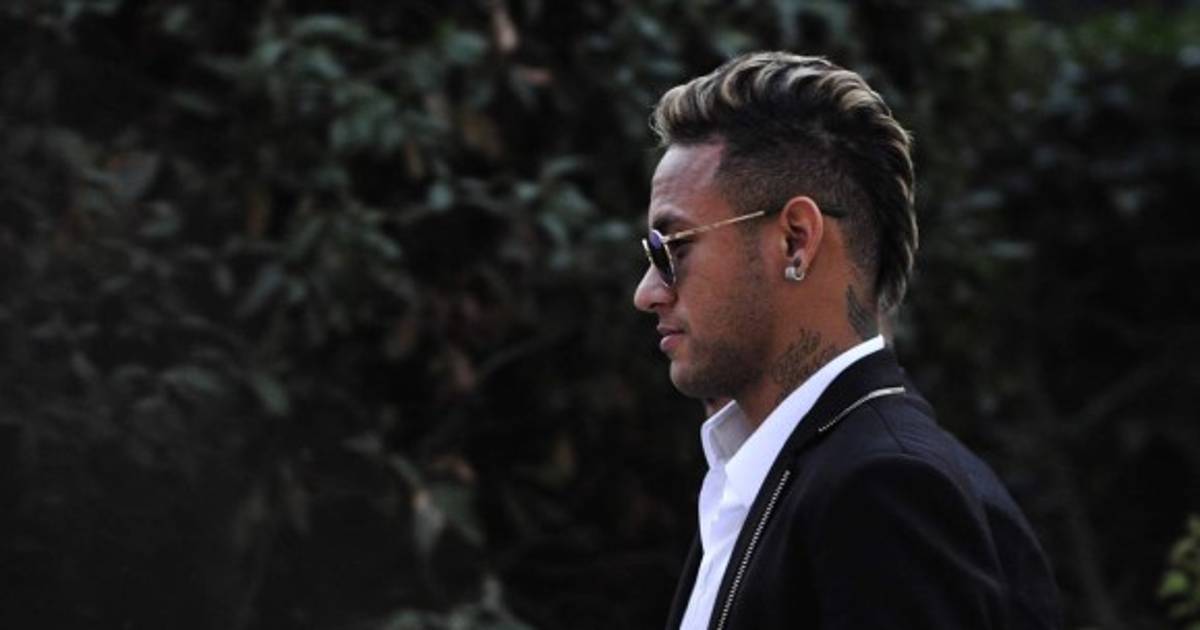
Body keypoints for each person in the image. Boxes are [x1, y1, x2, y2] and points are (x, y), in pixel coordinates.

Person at [633, 52, 1061, 630]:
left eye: (673, 248)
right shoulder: (780, 481)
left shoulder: (883, 488)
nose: (647, 293)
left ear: (796, 240)